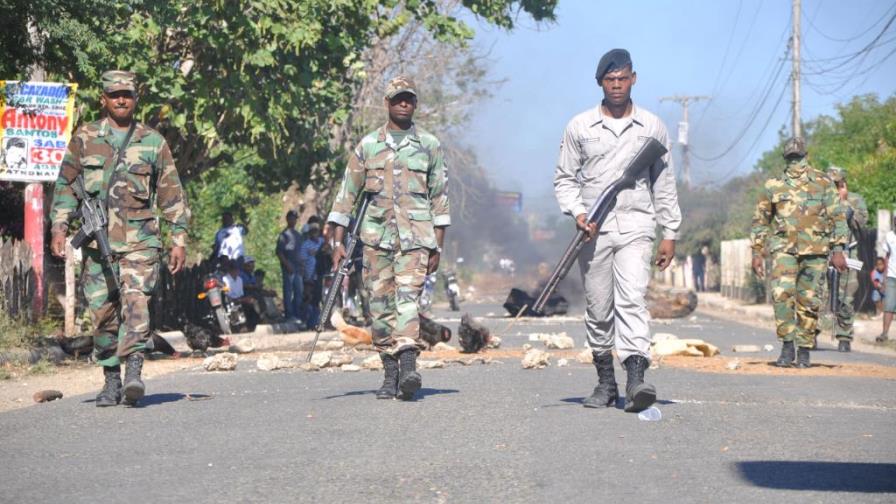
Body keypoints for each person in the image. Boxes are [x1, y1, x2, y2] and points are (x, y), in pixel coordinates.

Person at [49, 70, 190, 407]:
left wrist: (179, 238)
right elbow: (66, 184)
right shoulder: (84, 138)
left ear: (135, 97)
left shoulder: (152, 141)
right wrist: (59, 225)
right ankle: (110, 380)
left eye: (126, 94)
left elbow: (171, 192)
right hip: (98, 247)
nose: (121, 100)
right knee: (102, 315)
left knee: (137, 304)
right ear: (104, 99)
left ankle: (134, 374)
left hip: (140, 242)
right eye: (115, 95)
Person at [553, 49, 680, 413]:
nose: (617, 86)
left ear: (634, 79)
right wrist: (578, 213)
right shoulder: (579, 126)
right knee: (598, 307)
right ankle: (605, 382)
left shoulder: (653, 127)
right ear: (600, 83)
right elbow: (564, 179)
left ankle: (636, 378)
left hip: (637, 225)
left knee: (632, 300)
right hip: (593, 230)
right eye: (610, 80)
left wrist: (670, 231)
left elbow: (664, 182)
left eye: (623, 79)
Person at [327, 75, 450, 401]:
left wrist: (438, 243)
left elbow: (439, 197)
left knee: (407, 301)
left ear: (415, 103)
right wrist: (337, 243)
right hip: (375, 240)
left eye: (409, 98)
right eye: (398, 99)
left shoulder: (429, 145)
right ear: (387, 103)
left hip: (416, 240)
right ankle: (390, 374)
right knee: (380, 309)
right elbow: (345, 196)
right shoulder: (367, 146)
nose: (404, 104)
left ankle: (409, 366)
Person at [751, 138, 848, 368]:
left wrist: (838, 249)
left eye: (799, 158)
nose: (796, 163)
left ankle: (804, 350)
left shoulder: (823, 183)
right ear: (786, 159)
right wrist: (756, 251)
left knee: (810, 300)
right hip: (783, 250)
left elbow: (838, 217)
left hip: (815, 251)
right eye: (792, 159)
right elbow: (760, 221)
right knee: (781, 295)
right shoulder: (773, 185)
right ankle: (787, 345)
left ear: (807, 156)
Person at [827, 166, 868, 352]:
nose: (835, 187)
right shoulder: (821, 198)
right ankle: (811, 334)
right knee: (819, 296)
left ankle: (844, 335)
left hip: (848, 253)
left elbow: (861, 224)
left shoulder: (855, 199)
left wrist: (845, 204)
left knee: (847, 296)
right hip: (825, 252)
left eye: (838, 184)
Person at [276, 210, 304, 322]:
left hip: (298, 269)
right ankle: (289, 316)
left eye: (295, 218)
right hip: (288, 268)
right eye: (292, 218)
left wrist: (302, 266)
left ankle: (297, 315)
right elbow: (279, 252)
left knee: (299, 292)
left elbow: (300, 252)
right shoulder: (284, 235)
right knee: (288, 292)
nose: (293, 220)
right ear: (287, 219)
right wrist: (287, 265)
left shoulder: (298, 235)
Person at [298, 222, 324, 327]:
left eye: (316, 231)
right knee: (307, 298)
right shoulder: (305, 245)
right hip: (309, 275)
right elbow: (302, 261)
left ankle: (315, 322)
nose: (314, 233)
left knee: (317, 298)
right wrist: (305, 276)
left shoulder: (322, 242)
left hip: (320, 274)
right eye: (312, 231)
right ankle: (305, 321)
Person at [878, 217, 896, 342]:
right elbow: (886, 257)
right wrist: (884, 277)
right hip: (891, 275)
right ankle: (884, 334)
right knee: (888, 306)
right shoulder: (889, 236)